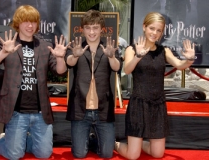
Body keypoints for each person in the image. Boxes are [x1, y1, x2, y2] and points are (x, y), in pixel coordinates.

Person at [0, 5, 69, 159]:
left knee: (44, 154)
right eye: (26, 22)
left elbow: (60, 71)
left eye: (33, 22)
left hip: (40, 111)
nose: (30, 26)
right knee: (14, 155)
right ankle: (1, 142)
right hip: (16, 110)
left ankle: (21, 140)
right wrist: (4, 52)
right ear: (18, 22)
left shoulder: (44, 46)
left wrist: (59, 58)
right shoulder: (8, 42)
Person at [114, 12, 195, 159]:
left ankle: (139, 144)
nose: (155, 33)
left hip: (157, 105)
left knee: (158, 154)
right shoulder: (132, 49)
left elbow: (179, 64)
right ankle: (115, 144)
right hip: (138, 104)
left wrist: (189, 60)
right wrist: (138, 56)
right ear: (144, 27)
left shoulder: (164, 51)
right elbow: (127, 70)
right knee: (133, 156)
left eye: (159, 30)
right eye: (152, 28)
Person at [65, 10, 121, 158]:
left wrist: (111, 57)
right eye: (88, 28)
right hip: (80, 108)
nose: (91, 32)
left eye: (95, 27)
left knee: (107, 154)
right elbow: (69, 63)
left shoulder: (109, 48)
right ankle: (83, 142)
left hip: (103, 108)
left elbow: (117, 67)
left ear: (101, 29)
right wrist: (75, 56)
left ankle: (97, 140)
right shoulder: (76, 46)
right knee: (79, 154)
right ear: (82, 29)